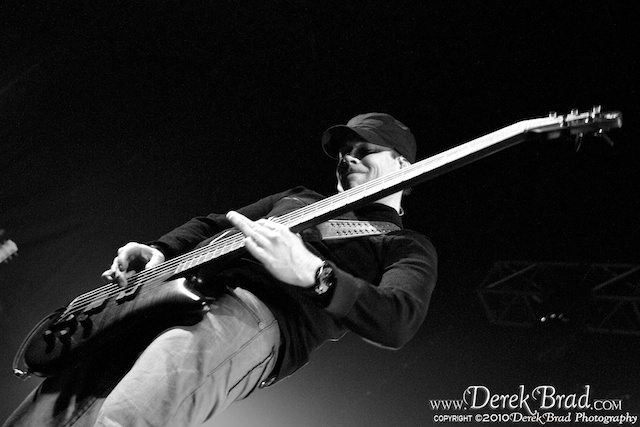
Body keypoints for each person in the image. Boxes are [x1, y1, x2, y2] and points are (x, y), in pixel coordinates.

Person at [4, 112, 437, 427]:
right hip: (164, 294)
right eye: (343, 153)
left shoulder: (404, 245)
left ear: (403, 164)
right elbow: (214, 224)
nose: (347, 159)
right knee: (48, 411)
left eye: (364, 150)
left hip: (249, 315)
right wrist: (159, 250)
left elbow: (397, 319)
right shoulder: (300, 196)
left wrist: (314, 273)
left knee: (127, 418)